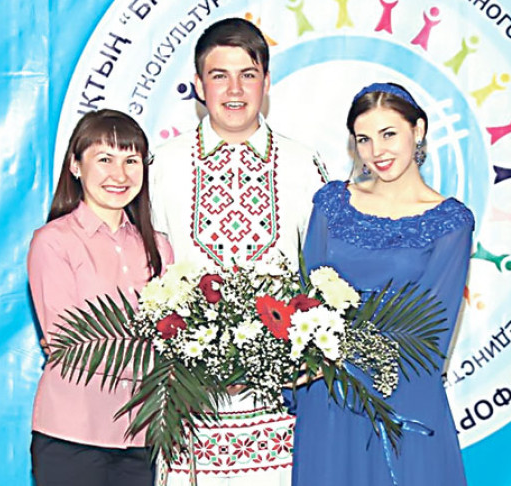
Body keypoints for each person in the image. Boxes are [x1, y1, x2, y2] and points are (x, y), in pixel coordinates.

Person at [149, 17, 328, 486]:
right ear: (198, 85)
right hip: (190, 395)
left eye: (247, 75)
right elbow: (148, 272)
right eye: (219, 75)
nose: (234, 89)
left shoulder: (302, 164)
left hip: (280, 399)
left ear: (266, 83)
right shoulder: (163, 166)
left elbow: (325, 275)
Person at [290, 82, 474, 485]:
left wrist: (340, 357)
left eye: (389, 134)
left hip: (401, 403)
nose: (377, 151)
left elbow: (429, 336)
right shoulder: (332, 204)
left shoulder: (450, 222)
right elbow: (305, 303)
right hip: (328, 401)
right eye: (364, 139)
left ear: (418, 130)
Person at [27, 109, 174, 486]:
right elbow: (71, 344)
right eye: (105, 159)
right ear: (75, 165)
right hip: (72, 434)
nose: (120, 175)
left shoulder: (159, 247)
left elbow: (174, 334)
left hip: (141, 436)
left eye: (131, 161)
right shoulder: (53, 242)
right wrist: (161, 357)